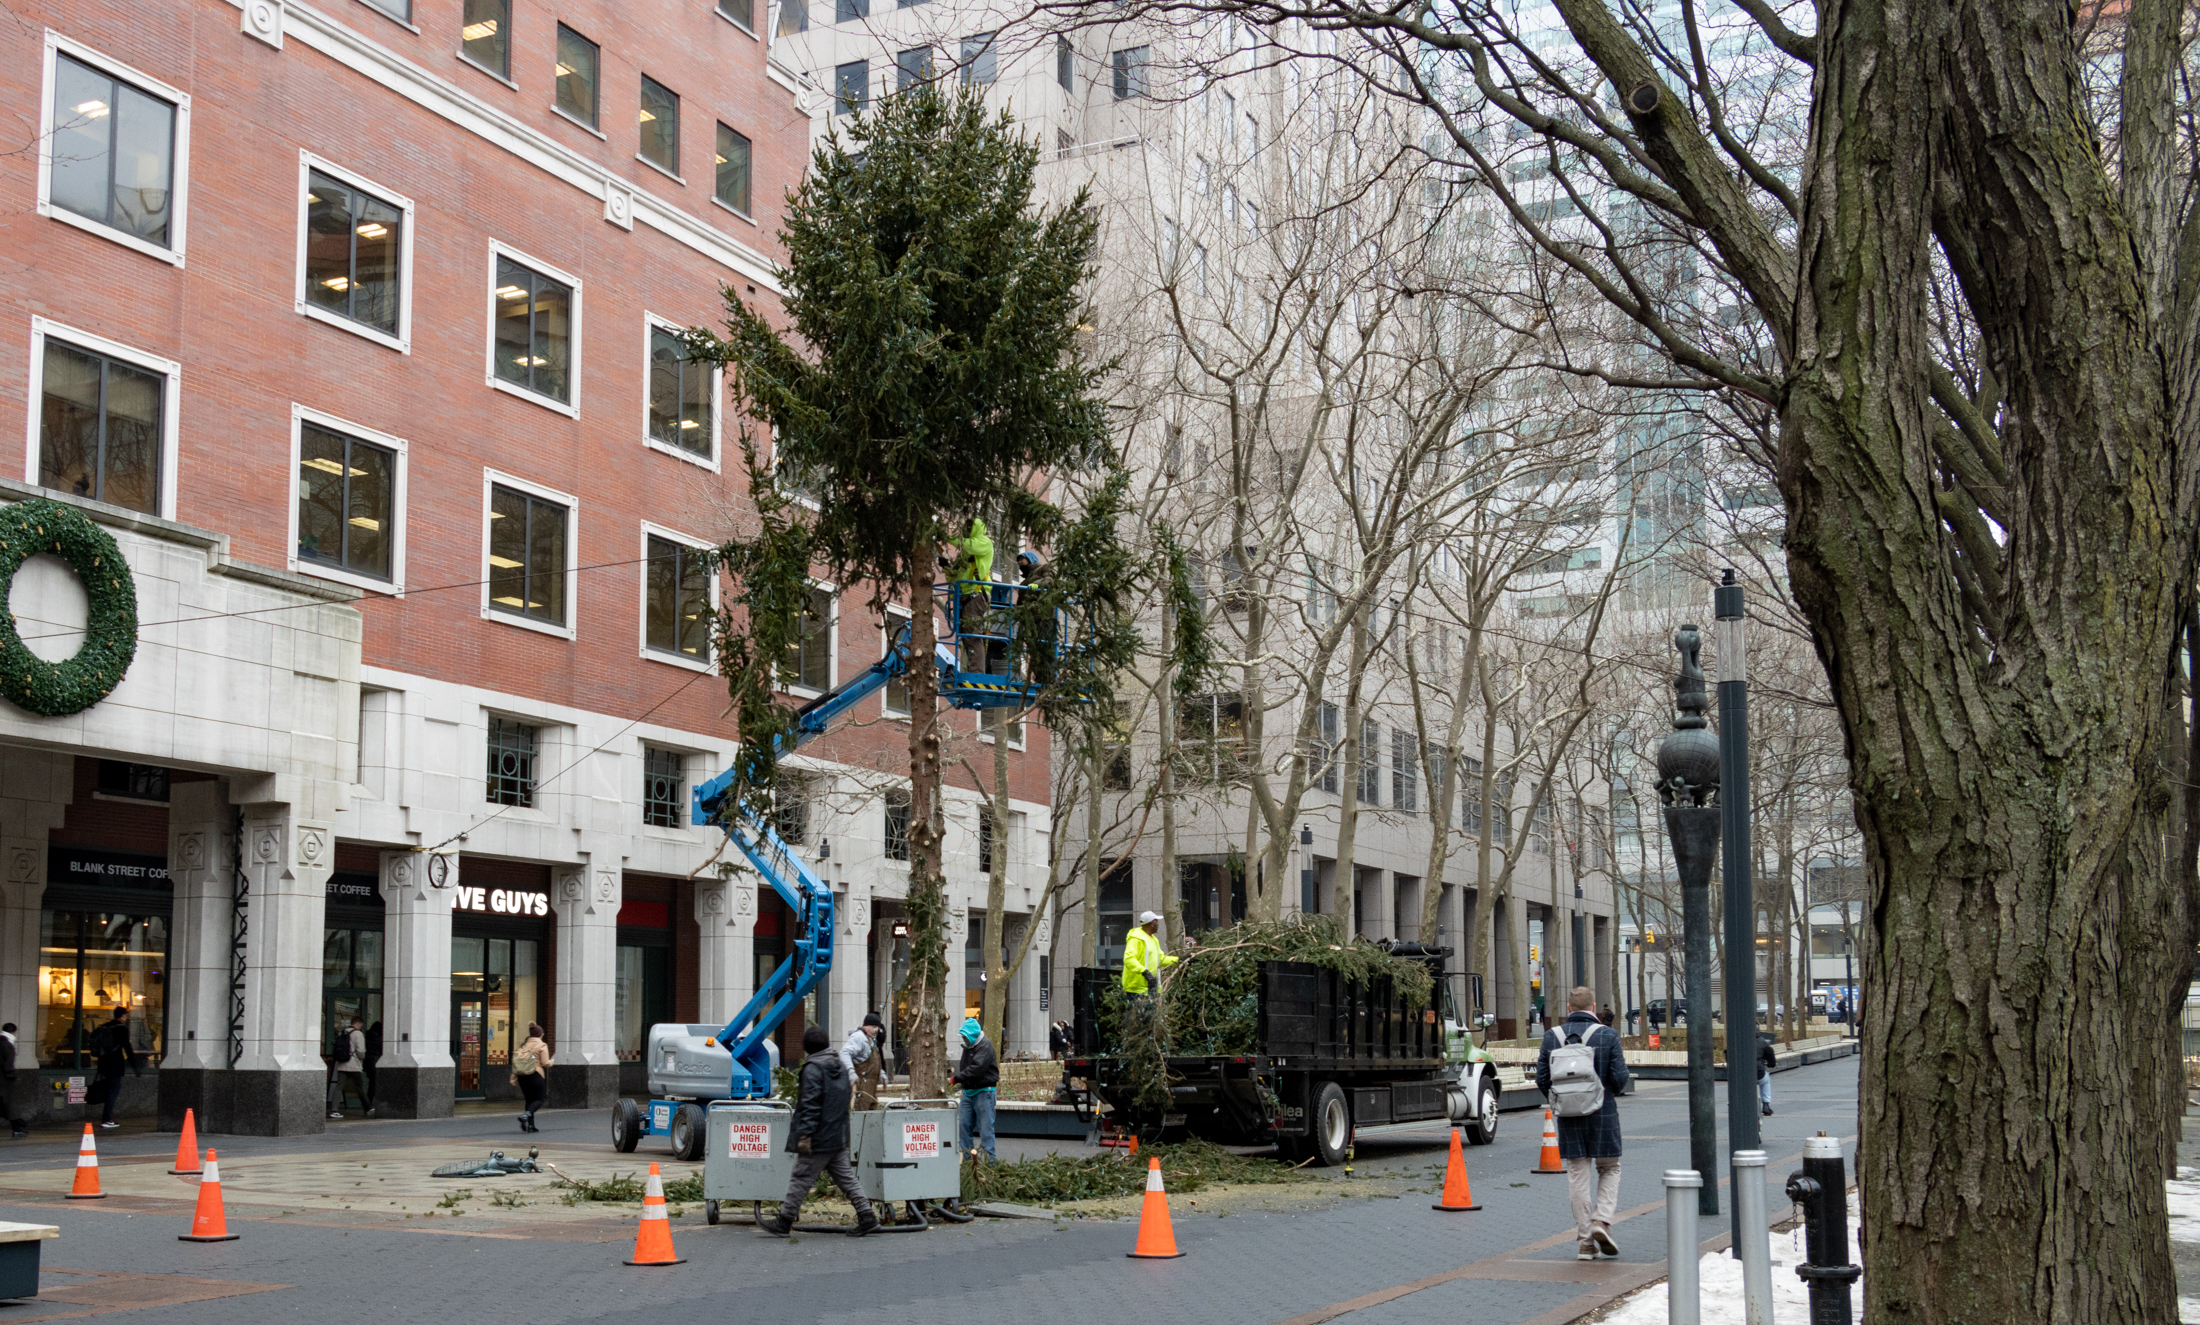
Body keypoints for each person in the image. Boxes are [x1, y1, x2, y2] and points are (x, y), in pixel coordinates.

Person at [1535, 986, 1630, 1261]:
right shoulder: (1608, 1035)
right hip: (1603, 1111)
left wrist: (1562, 1101)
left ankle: (1585, 1243)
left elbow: (1542, 1078)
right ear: (1594, 1007)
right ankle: (1602, 1220)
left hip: (1568, 1115)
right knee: (1610, 1167)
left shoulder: (1552, 1037)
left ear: (1568, 1008)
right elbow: (1620, 1077)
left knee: (1577, 1174)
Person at [759, 1026, 879, 1237]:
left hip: (818, 1138)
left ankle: (784, 1222)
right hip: (837, 1135)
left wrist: (805, 1134)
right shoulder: (840, 1067)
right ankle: (867, 1217)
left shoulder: (813, 1069)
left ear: (807, 1047)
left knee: (801, 1177)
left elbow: (809, 1104)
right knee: (846, 1179)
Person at [953, 1016, 999, 1161]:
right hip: (969, 1091)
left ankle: (988, 1162)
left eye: (965, 1037)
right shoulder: (968, 1046)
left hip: (984, 1092)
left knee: (986, 1130)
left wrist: (956, 1079)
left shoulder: (984, 1046)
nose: (963, 1040)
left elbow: (976, 1068)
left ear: (972, 1036)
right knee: (964, 1125)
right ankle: (968, 1161)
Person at [87, 1008, 132, 1128]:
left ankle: (106, 1117)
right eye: (125, 1016)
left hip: (103, 1064)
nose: (126, 1018)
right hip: (115, 1066)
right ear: (122, 1016)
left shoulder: (105, 1027)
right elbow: (127, 1047)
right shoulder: (121, 1029)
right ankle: (106, 1119)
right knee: (113, 1091)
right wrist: (135, 1065)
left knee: (108, 1090)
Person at [1121, 911, 1178, 998]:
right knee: (1138, 1011)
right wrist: (1144, 972)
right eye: (1156, 922)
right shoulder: (1136, 938)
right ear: (1152, 923)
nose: (1158, 924)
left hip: (1150, 987)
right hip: (1137, 988)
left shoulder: (1153, 940)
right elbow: (1129, 959)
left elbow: (1160, 959)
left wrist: (1179, 960)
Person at [512, 1022, 552, 1132]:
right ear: (540, 1034)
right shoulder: (541, 1045)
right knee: (540, 1098)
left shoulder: (523, 1045)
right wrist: (551, 1062)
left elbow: (517, 1063)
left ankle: (530, 1125)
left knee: (529, 1100)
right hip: (535, 1075)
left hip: (522, 1076)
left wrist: (513, 1077)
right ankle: (526, 1116)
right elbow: (545, 1063)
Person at [328, 1017, 370, 1119]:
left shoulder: (344, 1032)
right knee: (359, 1087)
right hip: (354, 1065)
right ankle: (368, 1108)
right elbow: (360, 1051)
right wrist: (362, 1058)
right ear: (359, 1024)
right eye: (361, 1025)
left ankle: (334, 1110)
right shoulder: (358, 1034)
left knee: (339, 1086)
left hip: (342, 1064)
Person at [842, 1012, 885, 1111]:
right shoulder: (858, 1037)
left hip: (870, 1090)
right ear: (865, 1026)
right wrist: (851, 1071)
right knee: (860, 1118)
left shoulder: (871, 1039)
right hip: (860, 1090)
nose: (876, 1030)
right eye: (874, 1026)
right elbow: (844, 1053)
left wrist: (880, 1072)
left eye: (877, 1027)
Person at [0, 1023, 28, 1137]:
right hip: (5, 1082)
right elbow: (8, 1066)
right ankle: (17, 1128)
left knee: (7, 1106)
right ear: (13, 1032)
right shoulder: (8, 1045)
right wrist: (14, 1076)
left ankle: (18, 1126)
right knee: (10, 1106)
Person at [1757, 1031, 1778, 1117]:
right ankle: (1766, 1105)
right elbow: (1769, 1052)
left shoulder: (1740, 1039)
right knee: (1766, 1081)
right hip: (1759, 1072)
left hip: (1742, 1075)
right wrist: (1771, 1064)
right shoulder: (1761, 1040)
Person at [363, 1020, 383, 1106]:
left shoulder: (367, 1036)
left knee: (372, 1083)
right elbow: (381, 1050)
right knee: (375, 1084)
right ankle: (370, 1103)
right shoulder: (379, 1038)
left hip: (368, 1063)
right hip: (377, 1063)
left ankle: (369, 1101)